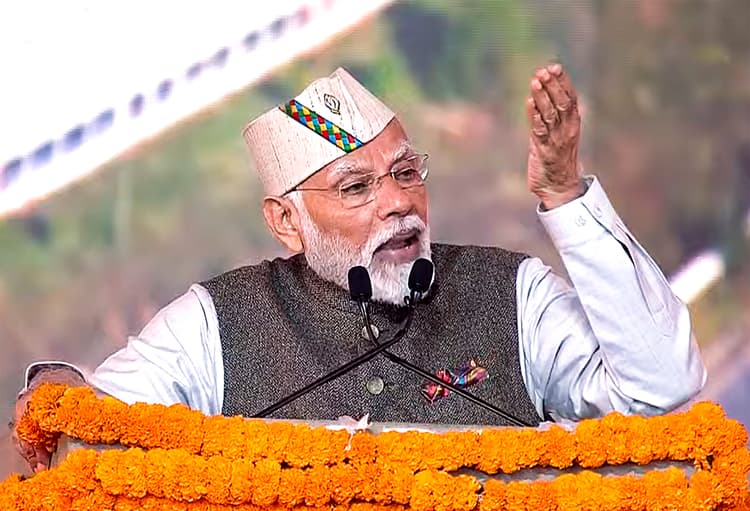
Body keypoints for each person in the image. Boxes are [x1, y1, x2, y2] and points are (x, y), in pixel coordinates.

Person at [12, 64, 706, 472]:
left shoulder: (512, 292)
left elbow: (662, 390)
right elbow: (93, 422)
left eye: (405, 172)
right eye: (356, 187)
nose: (399, 202)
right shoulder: (214, 326)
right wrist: (59, 390)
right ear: (287, 222)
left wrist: (565, 194)